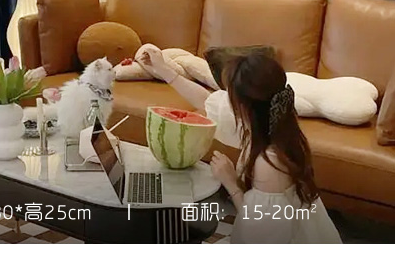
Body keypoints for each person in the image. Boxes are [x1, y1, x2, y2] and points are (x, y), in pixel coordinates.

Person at [137, 44, 341, 244]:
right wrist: (163, 70)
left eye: (230, 96)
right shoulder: (273, 123)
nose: (226, 101)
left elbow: (259, 234)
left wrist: (231, 182)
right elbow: (207, 101)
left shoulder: (270, 162)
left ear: (244, 107)